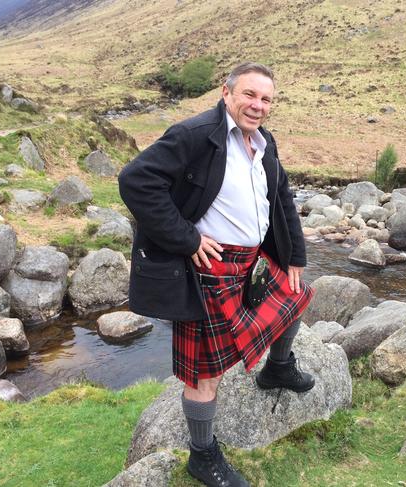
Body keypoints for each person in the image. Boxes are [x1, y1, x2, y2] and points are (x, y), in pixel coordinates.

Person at [118, 62, 314, 487]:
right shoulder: (193, 135)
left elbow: (282, 200)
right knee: (205, 371)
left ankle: (277, 367)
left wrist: (294, 255)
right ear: (227, 93)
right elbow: (135, 181)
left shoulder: (264, 143)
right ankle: (202, 455)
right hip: (210, 269)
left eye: (266, 99)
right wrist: (187, 240)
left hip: (252, 263)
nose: (257, 106)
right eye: (249, 95)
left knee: (297, 293)